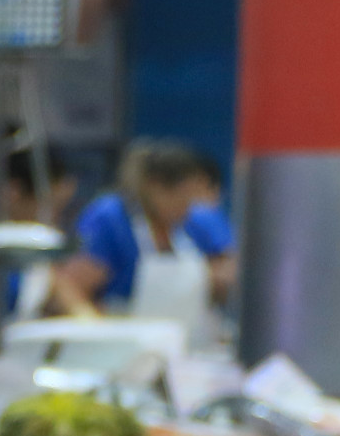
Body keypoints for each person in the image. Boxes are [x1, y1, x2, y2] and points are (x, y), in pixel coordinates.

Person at [47, 137, 235, 333]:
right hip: (121, 338)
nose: (186, 206)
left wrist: (213, 277)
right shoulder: (112, 219)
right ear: (154, 187)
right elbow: (69, 286)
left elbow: (229, 271)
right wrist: (89, 323)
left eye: (190, 198)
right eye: (180, 195)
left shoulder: (197, 219)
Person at [1, 145, 81, 322]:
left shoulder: (36, 258)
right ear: (14, 193)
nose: (55, 219)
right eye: (52, 206)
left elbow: (77, 309)